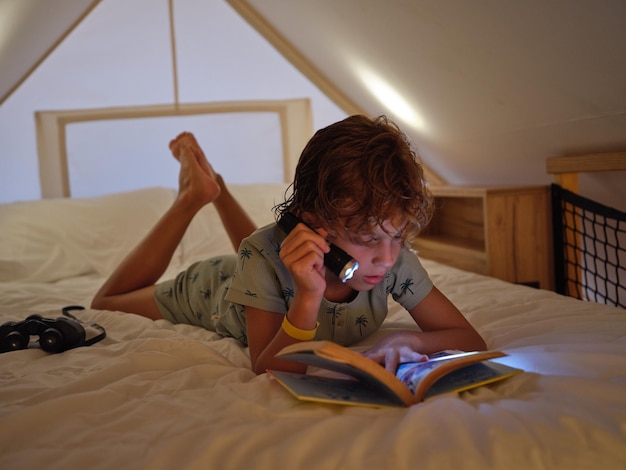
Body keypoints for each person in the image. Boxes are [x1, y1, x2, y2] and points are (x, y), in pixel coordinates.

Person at [92, 115, 486, 375]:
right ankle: (192, 197)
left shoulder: (391, 259)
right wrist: (306, 299)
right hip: (212, 288)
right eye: (367, 239)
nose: (385, 259)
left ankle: (219, 189)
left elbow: (469, 338)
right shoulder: (261, 255)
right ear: (313, 221)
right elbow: (269, 368)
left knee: (262, 255)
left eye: (397, 237)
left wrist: (410, 339)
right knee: (107, 301)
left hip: (260, 263)